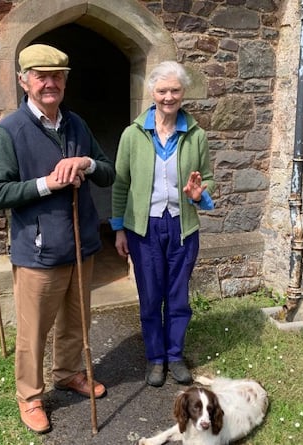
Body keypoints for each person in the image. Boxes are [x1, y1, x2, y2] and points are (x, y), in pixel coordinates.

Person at [0, 44, 115, 434]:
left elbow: (107, 172)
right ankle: (30, 395)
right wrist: (46, 184)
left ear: (65, 81)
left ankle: (68, 373)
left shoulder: (77, 124)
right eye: (41, 76)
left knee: (77, 320)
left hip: (81, 243)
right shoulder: (11, 130)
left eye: (56, 76)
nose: (49, 83)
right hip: (38, 250)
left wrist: (87, 163)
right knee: (33, 330)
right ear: (25, 81)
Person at [111, 61, 215, 388]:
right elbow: (120, 184)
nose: (168, 97)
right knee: (150, 295)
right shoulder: (132, 134)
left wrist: (200, 195)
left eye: (175, 90)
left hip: (183, 228)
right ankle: (155, 358)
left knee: (178, 296)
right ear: (152, 93)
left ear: (183, 93)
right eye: (162, 90)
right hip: (145, 230)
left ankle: (174, 355)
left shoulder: (196, 135)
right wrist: (118, 228)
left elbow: (206, 180)